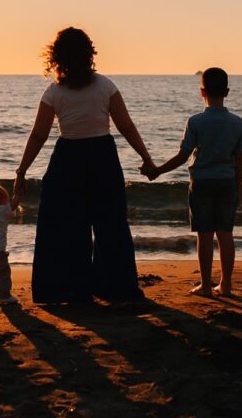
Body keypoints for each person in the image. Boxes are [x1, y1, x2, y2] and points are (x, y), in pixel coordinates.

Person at [14, 27, 154, 303]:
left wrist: (22, 170)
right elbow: (125, 126)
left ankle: (69, 288)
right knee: (110, 224)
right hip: (102, 156)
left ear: (57, 57)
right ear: (89, 54)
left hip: (68, 158)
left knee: (65, 225)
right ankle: (116, 287)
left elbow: (39, 135)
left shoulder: (54, 92)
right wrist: (146, 158)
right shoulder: (105, 86)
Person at [145, 67, 242, 297]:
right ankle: (226, 285)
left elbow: (182, 156)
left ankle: (206, 286)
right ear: (227, 92)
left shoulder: (196, 122)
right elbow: (239, 159)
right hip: (227, 182)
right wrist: (238, 188)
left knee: (204, 235)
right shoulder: (237, 122)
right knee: (226, 234)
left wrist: (158, 171)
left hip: (201, 182)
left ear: (202, 92)